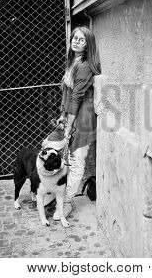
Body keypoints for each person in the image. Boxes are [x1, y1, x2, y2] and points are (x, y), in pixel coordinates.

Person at [53, 26, 101, 219]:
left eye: (82, 40)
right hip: (73, 115)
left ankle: (67, 202)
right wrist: (63, 116)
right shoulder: (74, 62)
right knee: (66, 157)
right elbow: (68, 93)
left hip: (83, 118)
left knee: (76, 161)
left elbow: (77, 97)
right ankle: (59, 195)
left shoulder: (85, 66)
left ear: (88, 44)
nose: (76, 41)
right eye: (75, 38)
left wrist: (70, 125)